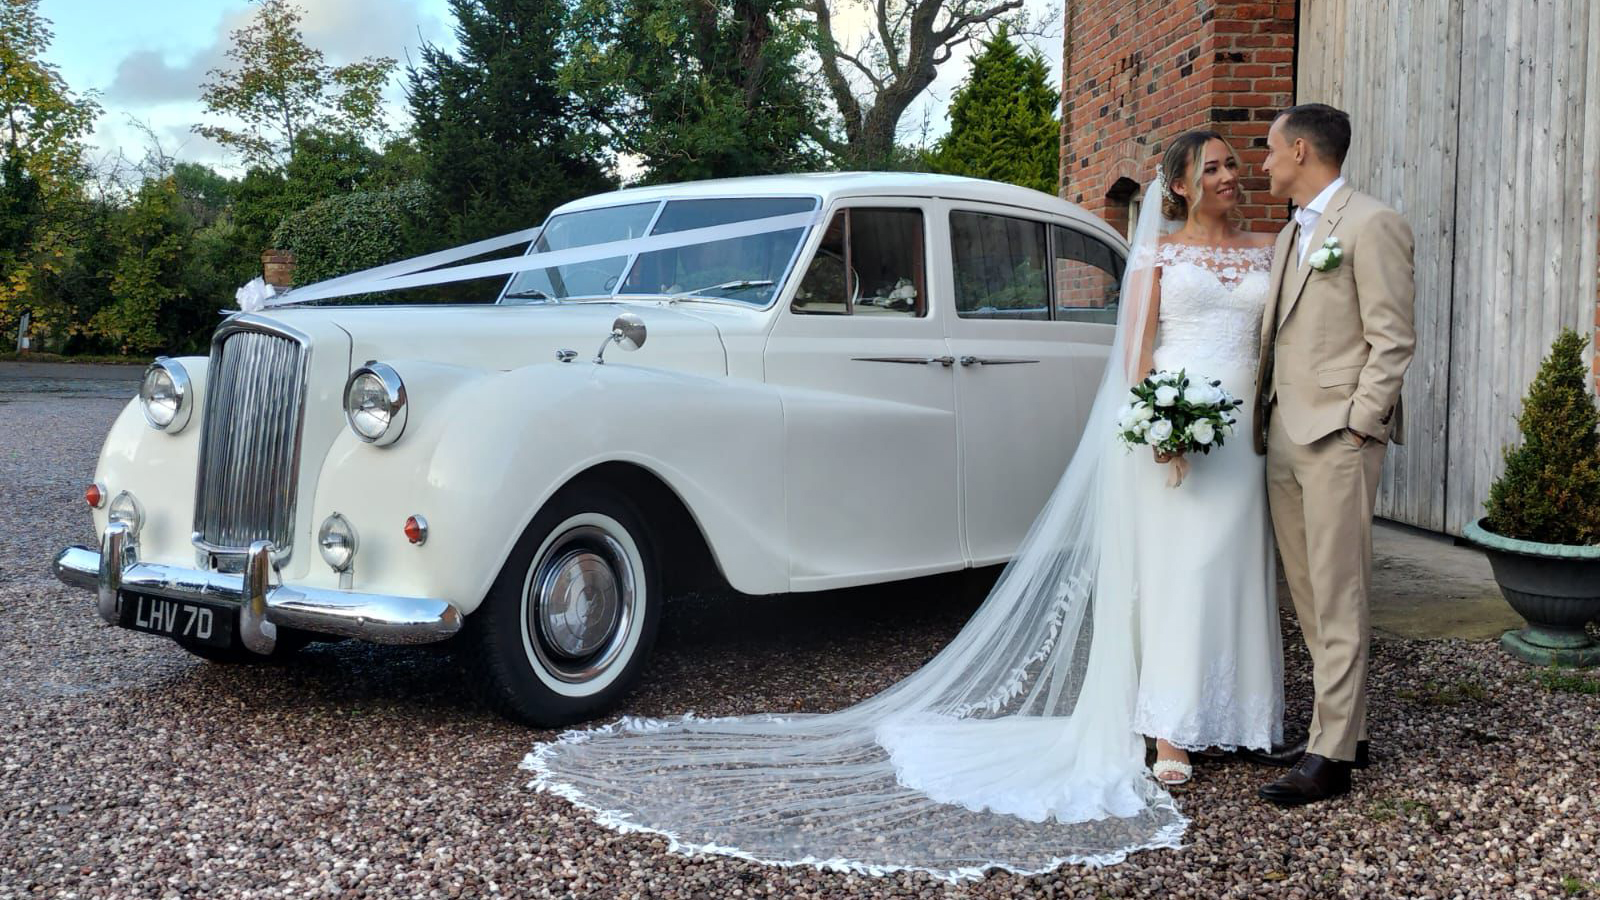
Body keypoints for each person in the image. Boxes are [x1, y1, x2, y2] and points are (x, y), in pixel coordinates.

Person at [523, 131, 1287, 882]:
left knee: (1229, 569)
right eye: (1212, 166)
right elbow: (1139, 353)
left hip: (1241, 431)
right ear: (1181, 184)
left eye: (1231, 163)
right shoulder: (1162, 253)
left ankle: (1234, 713)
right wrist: (1163, 422)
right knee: (1177, 572)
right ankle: (1168, 725)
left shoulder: (1265, 248)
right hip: (1178, 429)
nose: (1228, 174)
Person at [1247, 103, 1416, 806]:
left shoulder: (1372, 224)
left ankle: (1332, 755)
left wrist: (1358, 426)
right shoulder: (1293, 234)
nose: (1263, 163)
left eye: (1271, 150)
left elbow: (1392, 338)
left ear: (1304, 152)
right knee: (1310, 595)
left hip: (1338, 440)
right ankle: (1340, 727)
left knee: (1339, 590)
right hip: (1284, 432)